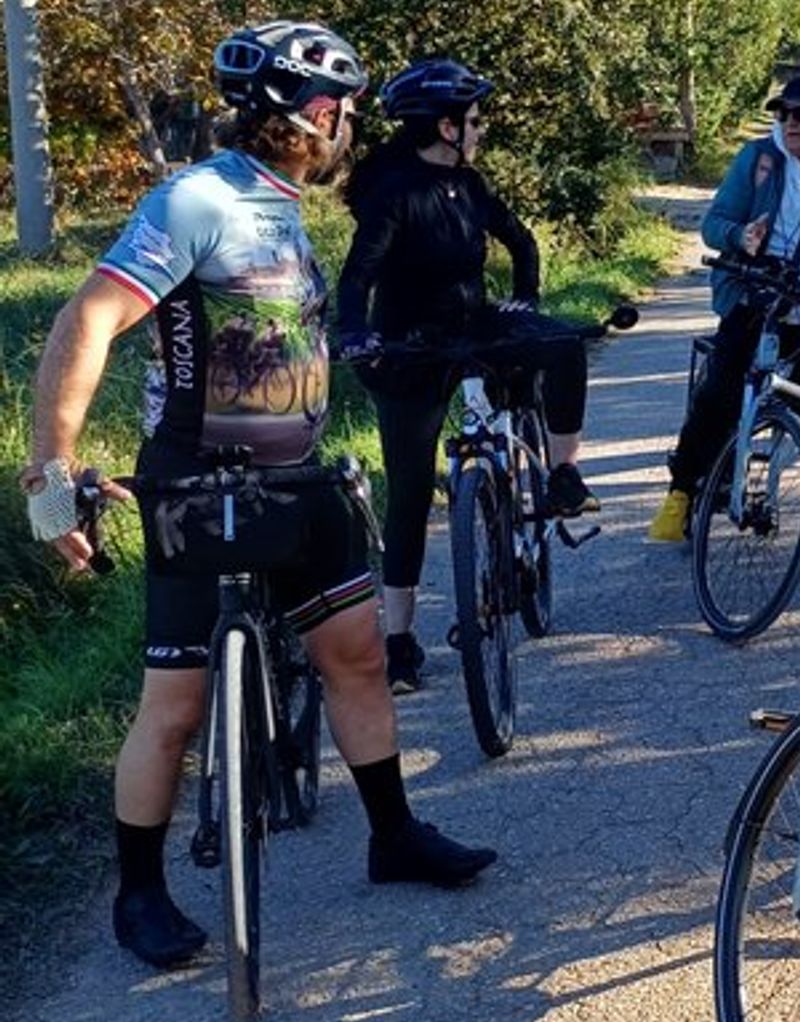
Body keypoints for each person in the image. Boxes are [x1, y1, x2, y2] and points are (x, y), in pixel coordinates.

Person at [17, 22, 496, 971]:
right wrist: (50, 472)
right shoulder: (198, 199)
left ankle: (393, 835)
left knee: (357, 655)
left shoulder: (279, 203)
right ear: (315, 115)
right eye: (345, 110)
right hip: (198, 480)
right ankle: (139, 893)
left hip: (297, 476)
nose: (351, 125)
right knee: (175, 702)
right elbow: (91, 317)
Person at [336, 58, 598, 692]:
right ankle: (399, 643)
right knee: (409, 491)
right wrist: (356, 334)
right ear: (446, 127)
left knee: (563, 345)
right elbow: (358, 274)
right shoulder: (394, 190)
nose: (481, 130)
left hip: (474, 324)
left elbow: (522, 242)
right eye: (474, 121)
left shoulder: (470, 184)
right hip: (410, 343)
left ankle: (563, 473)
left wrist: (525, 302)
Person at [645, 73, 800, 585]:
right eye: (782, 113)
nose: (788, 123)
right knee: (718, 393)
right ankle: (682, 491)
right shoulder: (759, 160)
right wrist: (741, 235)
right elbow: (714, 224)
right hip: (759, 298)